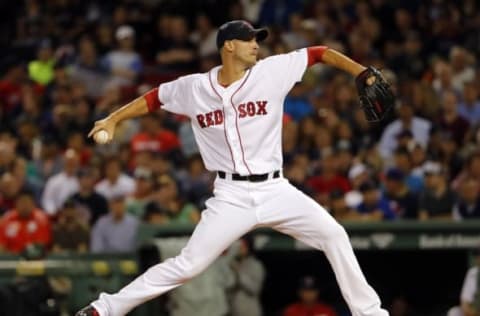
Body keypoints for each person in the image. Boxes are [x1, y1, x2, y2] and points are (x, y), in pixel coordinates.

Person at [77, 20, 389, 316]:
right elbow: (155, 98)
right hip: (231, 195)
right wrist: (114, 118)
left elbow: (320, 53)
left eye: (257, 40)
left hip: (275, 189)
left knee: (334, 235)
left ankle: (371, 313)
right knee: (188, 265)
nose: (256, 45)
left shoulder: (272, 72)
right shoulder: (195, 88)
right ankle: (105, 308)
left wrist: (360, 72)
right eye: (249, 39)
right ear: (228, 46)